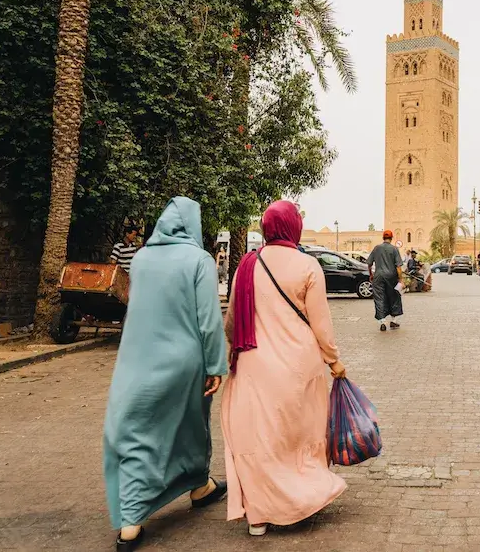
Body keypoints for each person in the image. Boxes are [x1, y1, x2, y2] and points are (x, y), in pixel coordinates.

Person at [103, 197, 228, 551]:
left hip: (136, 361)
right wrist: (216, 364)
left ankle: (132, 522)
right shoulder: (198, 260)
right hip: (183, 363)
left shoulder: (140, 259)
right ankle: (198, 487)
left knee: (134, 431)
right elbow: (208, 319)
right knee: (190, 425)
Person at [221, 200, 347, 538]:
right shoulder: (307, 265)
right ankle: (301, 498)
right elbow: (321, 325)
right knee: (299, 436)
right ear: (294, 227)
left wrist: (231, 353)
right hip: (298, 366)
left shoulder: (247, 265)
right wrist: (333, 360)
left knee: (260, 439)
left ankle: (259, 515)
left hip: (253, 364)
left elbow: (231, 320)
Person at [367, 230, 404, 331]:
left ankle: (382, 321)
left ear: (383, 238)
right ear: (391, 238)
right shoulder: (394, 249)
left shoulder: (376, 248)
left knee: (379, 298)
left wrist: (371, 275)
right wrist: (401, 279)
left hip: (378, 276)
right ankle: (394, 321)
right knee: (394, 296)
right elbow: (398, 266)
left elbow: (369, 263)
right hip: (391, 276)